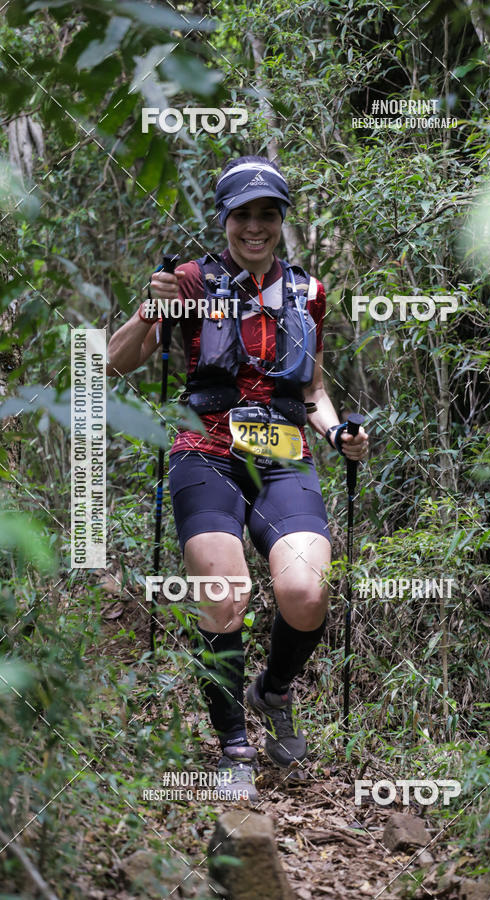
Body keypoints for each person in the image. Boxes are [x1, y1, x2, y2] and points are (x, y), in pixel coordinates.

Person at [106, 155, 368, 801]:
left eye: (267, 214)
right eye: (243, 214)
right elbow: (113, 361)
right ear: (224, 219)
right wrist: (150, 310)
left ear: (281, 220)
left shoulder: (307, 291)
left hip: (284, 453)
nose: (255, 226)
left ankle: (272, 692)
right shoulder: (190, 282)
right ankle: (233, 746)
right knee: (224, 595)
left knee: (305, 592)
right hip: (206, 450)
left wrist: (337, 432)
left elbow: (313, 389)